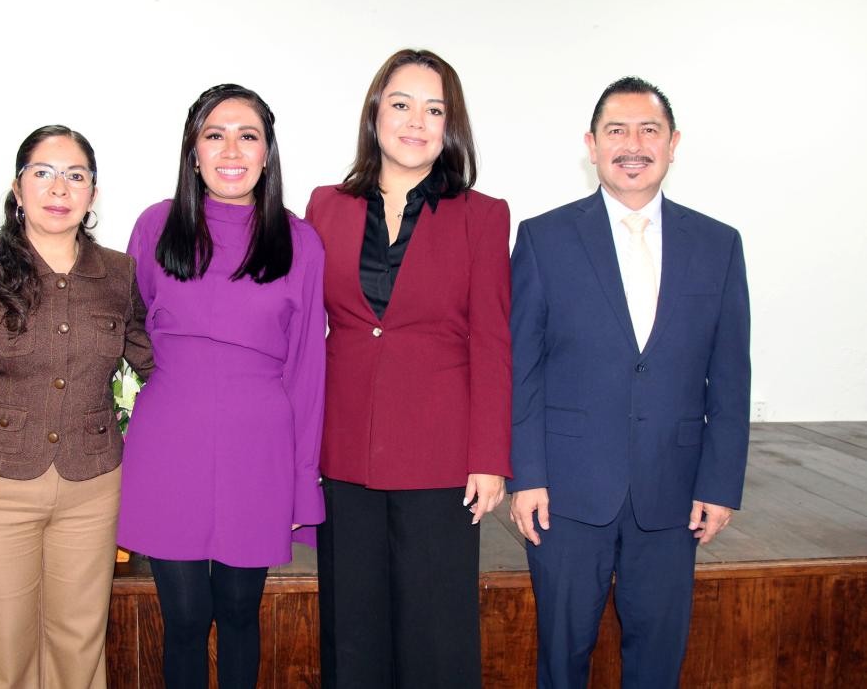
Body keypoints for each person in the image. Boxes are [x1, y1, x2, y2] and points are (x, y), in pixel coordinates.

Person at [507, 77, 751, 688]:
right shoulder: (543, 238)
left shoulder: (718, 244)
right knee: (561, 658)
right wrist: (526, 476)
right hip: (565, 496)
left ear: (673, 144)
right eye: (616, 131)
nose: (633, 145)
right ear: (592, 145)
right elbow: (522, 368)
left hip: (674, 494)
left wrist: (720, 484)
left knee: (658, 662)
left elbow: (730, 377)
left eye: (649, 130)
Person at [0, 125, 154, 689]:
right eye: (43, 173)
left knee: (79, 642)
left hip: (93, 485)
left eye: (75, 175)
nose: (59, 188)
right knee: (2, 647)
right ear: (18, 188)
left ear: (93, 193)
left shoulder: (119, 273)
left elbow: (155, 364)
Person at [306, 49, 512, 688]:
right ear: (375, 113)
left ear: (452, 125)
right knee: (352, 636)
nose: (415, 121)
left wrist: (489, 457)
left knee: (436, 638)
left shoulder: (483, 215)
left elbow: (492, 341)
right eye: (400, 104)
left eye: (434, 109)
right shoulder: (325, 206)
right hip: (345, 453)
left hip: (440, 457)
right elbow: (308, 331)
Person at [116, 83, 326, 689]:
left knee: (238, 613)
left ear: (267, 153)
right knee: (184, 618)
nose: (231, 150)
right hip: (168, 441)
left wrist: (302, 479)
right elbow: (130, 325)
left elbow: (308, 368)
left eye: (247, 136)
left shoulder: (299, 240)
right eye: (215, 135)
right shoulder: (156, 225)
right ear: (194, 151)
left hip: (260, 448)